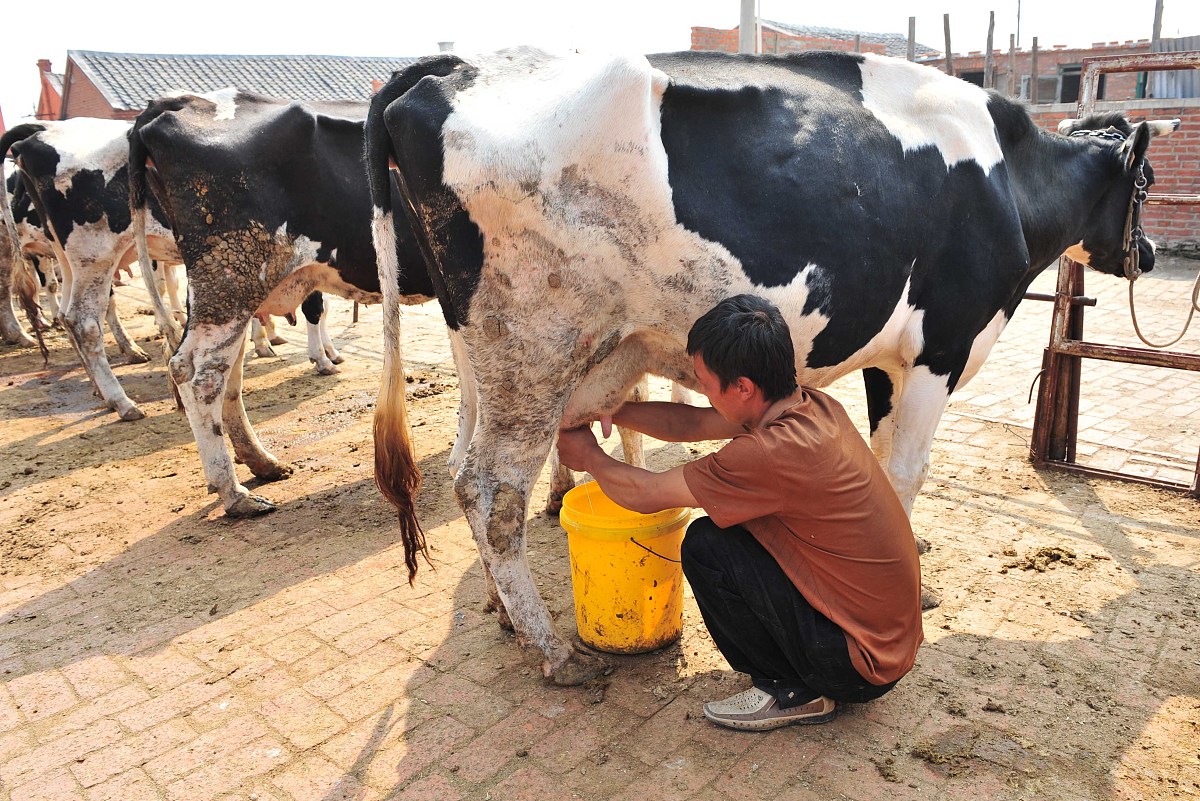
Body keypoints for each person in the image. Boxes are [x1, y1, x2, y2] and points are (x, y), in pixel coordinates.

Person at [556, 294, 923, 730]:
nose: (702, 392)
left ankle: (792, 691)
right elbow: (691, 424)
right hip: (887, 643)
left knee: (708, 546)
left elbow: (647, 492)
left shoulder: (769, 454)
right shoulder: (806, 405)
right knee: (731, 533)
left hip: (856, 666)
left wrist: (591, 457)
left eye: (706, 383)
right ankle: (801, 672)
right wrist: (611, 407)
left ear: (744, 387)